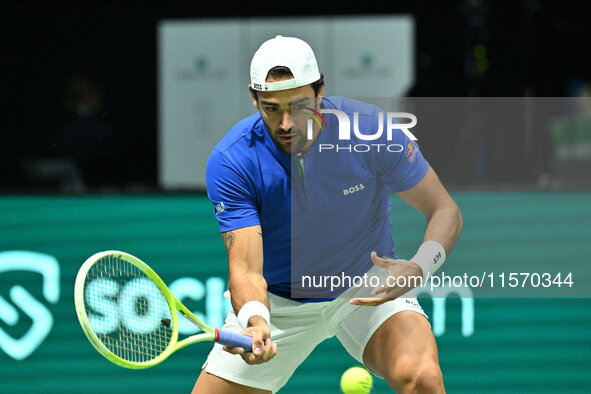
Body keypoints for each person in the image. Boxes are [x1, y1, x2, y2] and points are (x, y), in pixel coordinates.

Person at [194, 35, 463, 393]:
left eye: (299, 105)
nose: (287, 123)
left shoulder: (370, 131)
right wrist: (254, 320)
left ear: (320, 90)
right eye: (272, 108)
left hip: (367, 285)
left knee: (423, 380)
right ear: (253, 98)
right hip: (278, 305)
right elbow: (245, 268)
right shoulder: (233, 160)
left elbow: (444, 209)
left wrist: (419, 266)